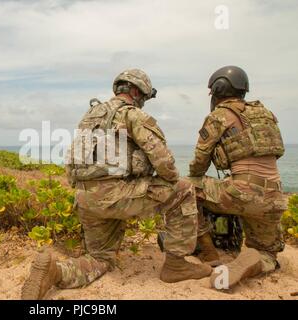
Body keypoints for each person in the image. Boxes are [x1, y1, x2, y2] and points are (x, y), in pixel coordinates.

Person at [21, 69, 212, 300]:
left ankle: (55, 272)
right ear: (134, 91)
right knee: (183, 190)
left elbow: (74, 161)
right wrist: (163, 182)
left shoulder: (89, 116)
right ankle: (176, 265)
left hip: (85, 199)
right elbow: (164, 161)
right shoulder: (133, 115)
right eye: (143, 96)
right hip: (117, 197)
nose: (143, 102)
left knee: (100, 259)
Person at [188, 65, 287, 289]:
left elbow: (198, 163)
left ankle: (209, 252)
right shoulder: (266, 115)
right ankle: (256, 259)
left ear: (218, 89)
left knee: (184, 188)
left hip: (241, 193)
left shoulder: (218, 116)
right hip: (274, 198)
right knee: (269, 253)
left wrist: (196, 178)